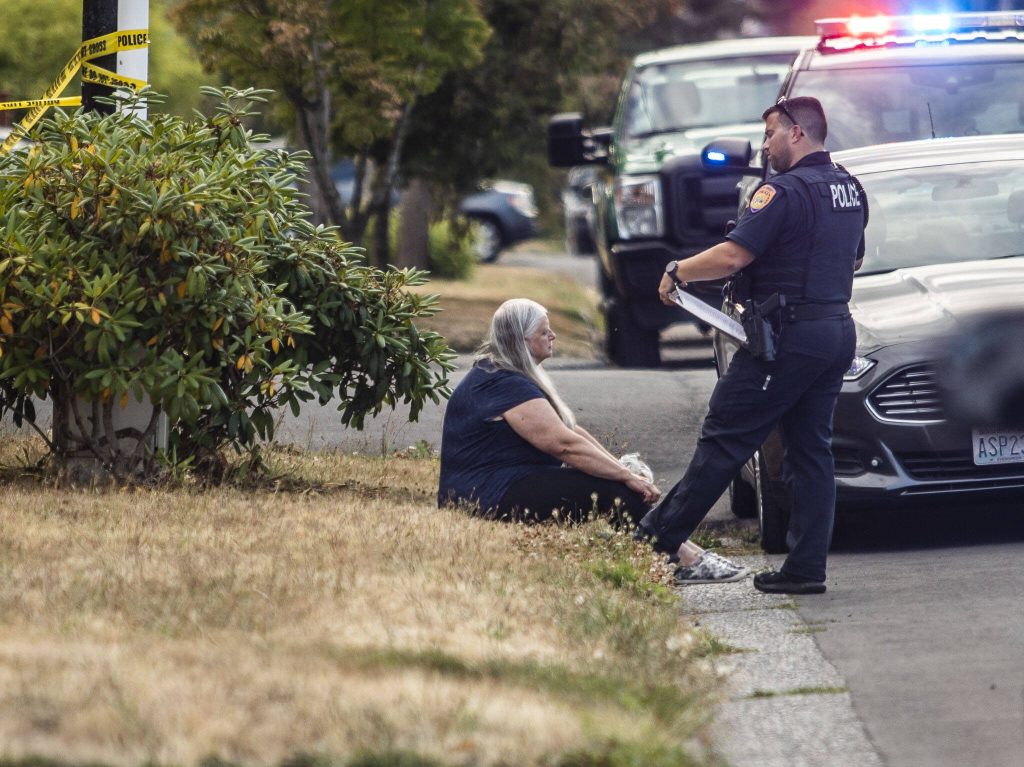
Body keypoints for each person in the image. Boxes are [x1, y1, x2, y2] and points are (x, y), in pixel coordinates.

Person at [640, 96, 865, 594]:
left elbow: (732, 256)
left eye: (770, 134)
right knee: (811, 452)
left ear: (797, 134)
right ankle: (805, 569)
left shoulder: (781, 192)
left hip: (788, 338)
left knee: (725, 438)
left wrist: (677, 270)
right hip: (834, 331)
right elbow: (852, 259)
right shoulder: (849, 187)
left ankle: (655, 543)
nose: (765, 145)